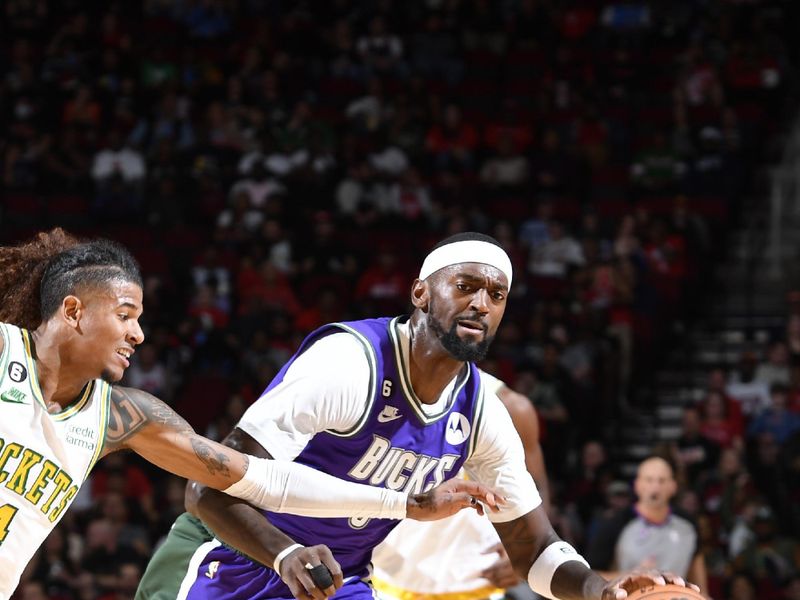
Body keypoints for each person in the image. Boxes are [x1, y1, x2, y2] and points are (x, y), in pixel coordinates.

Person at [136, 232, 698, 600]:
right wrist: (284, 553)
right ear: (421, 294)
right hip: (228, 563)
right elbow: (207, 492)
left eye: (496, 295)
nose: (482, 303)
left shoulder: (484, 412)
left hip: (337, 582)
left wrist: (604, 592)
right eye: (467, 286)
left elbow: (532, 548)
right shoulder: (348, 362)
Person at [0, 229, 499, 599]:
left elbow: (262, 481)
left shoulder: (122, 414)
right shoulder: (5, 352)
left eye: (141, 320)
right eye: (125, 315)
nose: (139, 334)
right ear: (73, 311)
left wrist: (405, 504)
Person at [370, 371, 550, 600]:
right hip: (383, 580)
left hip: (476, 584)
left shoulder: (511, 408)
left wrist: (527, 549)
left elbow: (537, 488)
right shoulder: (374, 388)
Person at [585, 456, 709, 596]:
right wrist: (631, 576)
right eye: (649, 480)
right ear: (637, 485)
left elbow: (700, 583)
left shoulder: (688, 525)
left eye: (661, 480)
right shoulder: (615, 523)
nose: (655, 487)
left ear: (673, 486)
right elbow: (590, 577)